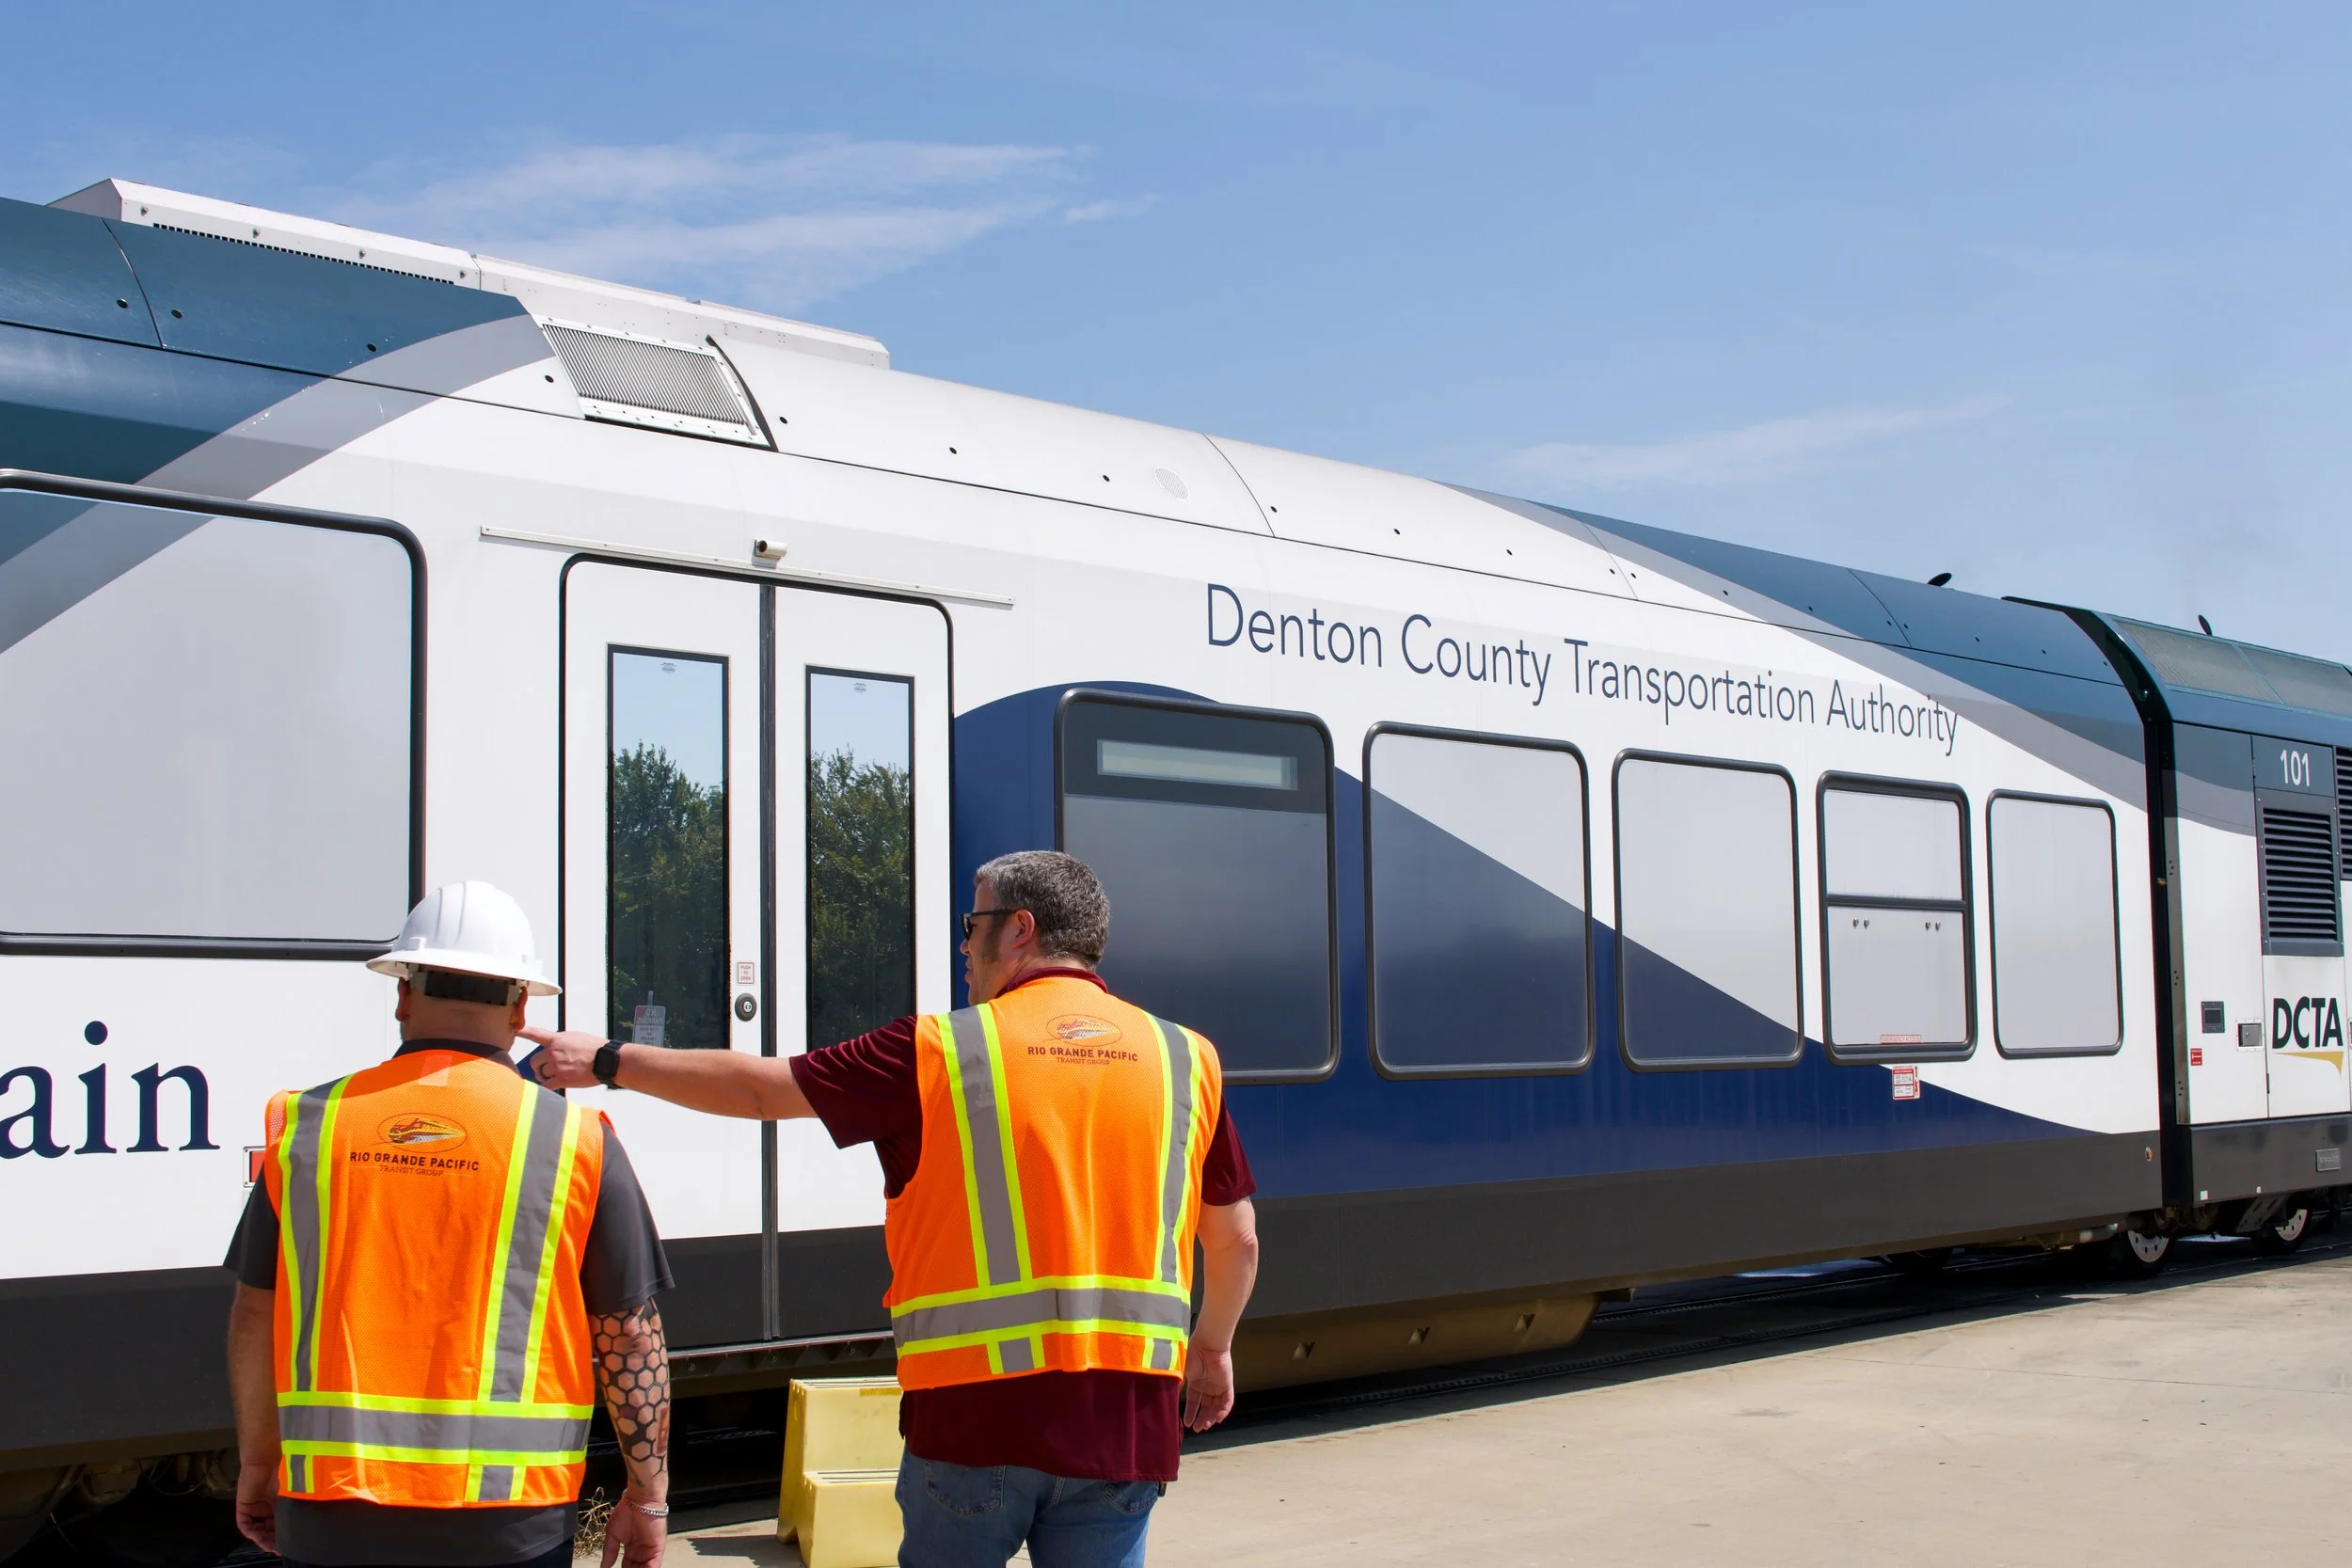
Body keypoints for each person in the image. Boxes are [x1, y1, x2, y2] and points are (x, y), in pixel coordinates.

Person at [524, 849, 1260, 1568]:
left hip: (972, 1430)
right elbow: (1235, 1242)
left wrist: (608, 1058)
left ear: (1021, 929)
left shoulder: (940, 1051)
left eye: (972, 926)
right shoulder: (1185, 1057)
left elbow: (757, 1090)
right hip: (1127, 1431)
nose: (964, 947)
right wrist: (1213, 1347)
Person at [223, 881, 676, 1568]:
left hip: (330, 1516)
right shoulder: (575, 1139)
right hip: (509, 1527)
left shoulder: (307, 1127)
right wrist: (648, 1494)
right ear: (521, 1005)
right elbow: (629, 1334)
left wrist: (259, 1461)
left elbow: (255, 1314)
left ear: (403, 993)